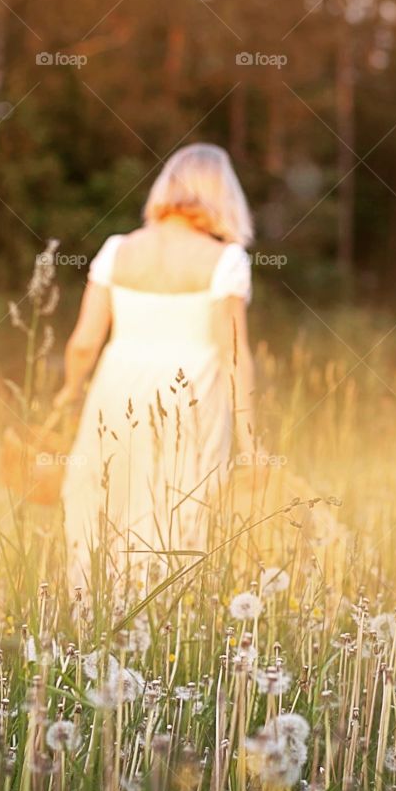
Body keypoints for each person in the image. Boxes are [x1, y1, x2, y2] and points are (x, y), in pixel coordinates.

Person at [54, 143, 257, 588]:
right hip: (190, 399)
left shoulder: (116, 250)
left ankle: (89, 618)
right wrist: (251, 439)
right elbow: (234, 354)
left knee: (103, 505)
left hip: (115, 393)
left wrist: (68, 395)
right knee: (175, 511)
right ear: (222, 194)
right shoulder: (225, 261)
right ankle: (163, 626)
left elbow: (85, 342)